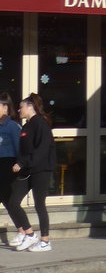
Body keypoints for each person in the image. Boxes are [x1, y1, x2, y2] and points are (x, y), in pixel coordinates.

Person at [10, 94, 56, 252]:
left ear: (30, 106)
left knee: (39, 205)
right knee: (13, 202)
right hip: (27, 171)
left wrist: (22, 163)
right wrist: (19, 163)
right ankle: (30, 234)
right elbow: (24, 150)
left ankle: (45, 241)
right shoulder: (27, 126)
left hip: (41, 170)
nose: (18, 109)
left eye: (21, 106)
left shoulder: (41, 124)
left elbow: (41, 150)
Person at [0, 94, 20, 243]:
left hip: (8, 165)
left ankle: (25, 231)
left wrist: (19, 165)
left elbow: (20, 148)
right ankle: (24, 230)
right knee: (7, 201)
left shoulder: (12, 126)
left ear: (5, 107)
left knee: (8, 200)